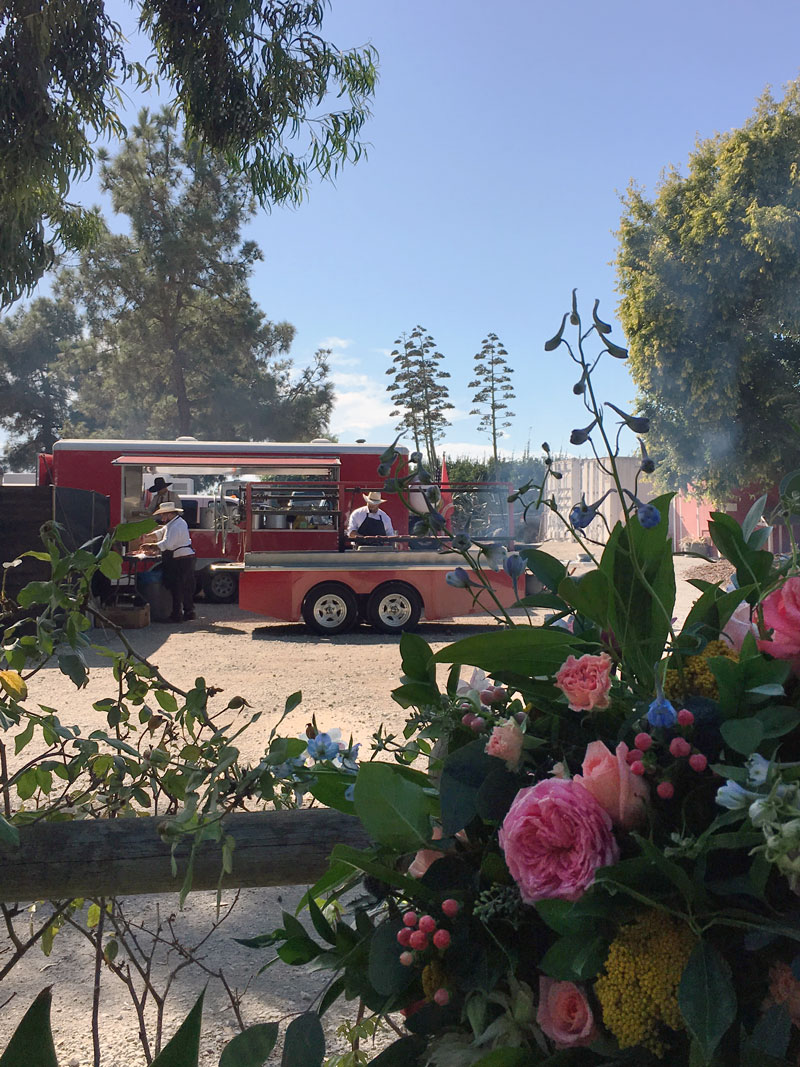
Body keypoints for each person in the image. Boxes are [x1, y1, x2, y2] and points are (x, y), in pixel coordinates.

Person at [149, 502, 196, 622]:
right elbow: (162, 532)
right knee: (184, 586)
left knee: (178, 586)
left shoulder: (176, 526)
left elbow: (168, 544)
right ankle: (188, 612)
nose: (162, 518)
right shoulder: (174, 523)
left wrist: (151, 546)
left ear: (170, 514)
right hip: (184, 557)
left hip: (181, 559)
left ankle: (177, 614)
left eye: (163, 515)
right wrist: (149, 536)